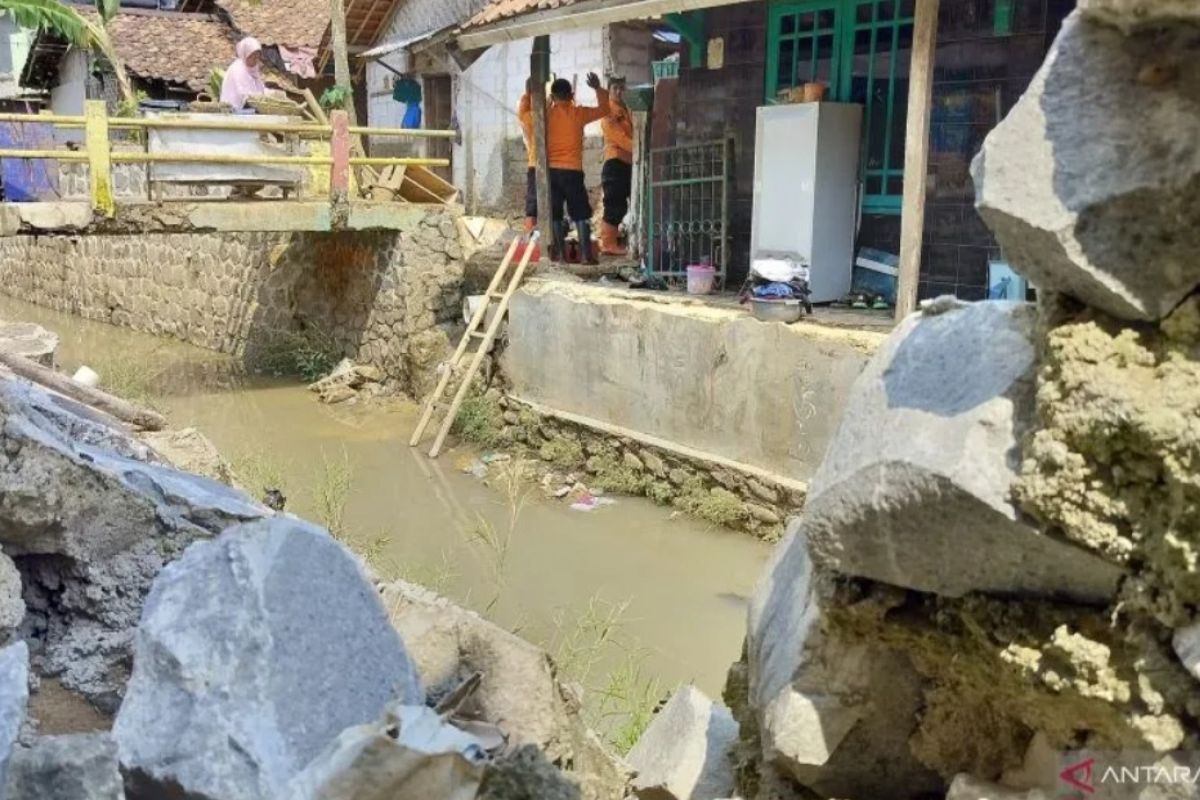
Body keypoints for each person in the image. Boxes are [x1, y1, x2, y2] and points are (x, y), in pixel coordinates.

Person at [520, 72, 609, 263]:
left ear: (552, 97)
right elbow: (605, 109)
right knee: (581, 212)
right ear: (571, 95)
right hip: (572, 172)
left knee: (555, 213)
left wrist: (529, 94)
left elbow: (523, 115)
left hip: (550, 172)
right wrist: (598, 88)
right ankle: (586, 256)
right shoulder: (578, 114)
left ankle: (560, 256)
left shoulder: (544, 115)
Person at [599, 78, 633, 256]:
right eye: (615, 88)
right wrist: (640, 148)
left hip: (626, 162)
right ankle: (608, 244)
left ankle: (612, 240)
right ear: (609, 90)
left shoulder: (625, 109)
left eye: (622, 88)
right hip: (615, 163)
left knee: (621, 205)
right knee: (614, 205)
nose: (619, 91)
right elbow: (620, 138)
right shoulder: (608, 111)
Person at [517, 79, 540, 235]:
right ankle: (530, 227)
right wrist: (528, 95)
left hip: (546, 162)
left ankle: (535, 227)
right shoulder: (532, 114)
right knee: (533, 197)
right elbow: (522, 114)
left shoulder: (542, 109)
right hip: (536, 161)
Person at [220, 37, 267, 112]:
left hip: (250, 109)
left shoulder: (254, 71)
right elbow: (243, 94)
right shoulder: (238, 69)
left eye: (257, 56)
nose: (255, 60)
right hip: (233, 110)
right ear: (245, 55)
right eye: (252, 56)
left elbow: (260, 90)